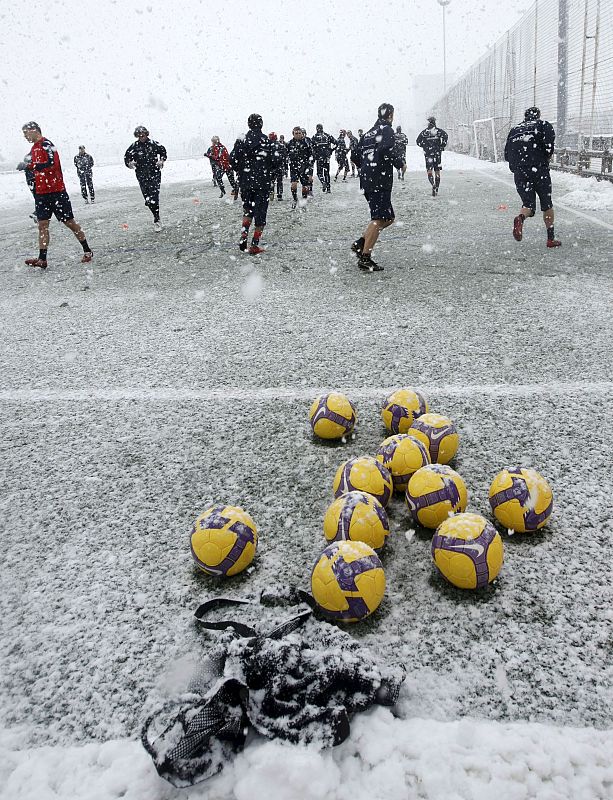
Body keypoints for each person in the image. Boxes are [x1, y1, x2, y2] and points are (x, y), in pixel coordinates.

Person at [20, 121, 92, 270]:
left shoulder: (47, 144)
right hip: (42, 194)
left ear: (34, 130)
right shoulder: (33, 148)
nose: (25, 136)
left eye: (26, 133)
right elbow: (37, 170)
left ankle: (87, 250)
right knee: (42, 226)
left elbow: (50, 164)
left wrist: (30, 166)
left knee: (70, 223)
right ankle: (42, 259)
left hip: (56, 192)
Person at [351, 103, 404, 272]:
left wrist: (366, 166)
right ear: (390, 115)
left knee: (387, 218)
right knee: (380, 218)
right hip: (380, 179)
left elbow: (354, 155)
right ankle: (365, 258)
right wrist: (399, 163)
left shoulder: (367, 133)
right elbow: (387, 149)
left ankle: (361, 243)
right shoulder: (386, 129)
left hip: (367, 179)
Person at [504, 107, 561, 248]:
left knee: (528, 204)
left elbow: (507, 154)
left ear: (525, 117)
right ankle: (550, 239)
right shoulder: (543, 125)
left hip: (520, 171)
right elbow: (549, 146)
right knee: (547, 204)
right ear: (538, 115)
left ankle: (521, 218)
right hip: (539, 169)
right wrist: (543, 159)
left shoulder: (514, 130)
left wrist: (517, 167)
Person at [230, 113, 281, 254]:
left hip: (245, 182)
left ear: (248, 124)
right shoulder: (266, 141)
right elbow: (276, 161)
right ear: (261, 124)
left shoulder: (241, 140)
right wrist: (268, 171)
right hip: (262, 182)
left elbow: (232, 159)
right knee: (261, 215)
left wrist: (241, 170)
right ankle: (254, 244)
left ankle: (244, 235)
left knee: (247, 210)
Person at [124, 126, 167, 231]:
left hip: (154, 173)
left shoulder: (154, 144)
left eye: (143, 134)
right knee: (147, 198)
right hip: (141, 175)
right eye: (139, 135)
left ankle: (156, 220)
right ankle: (154, 212)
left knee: (154, 195)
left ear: (147, 134)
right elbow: (126, 158)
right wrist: (130, 163)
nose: (141, 136)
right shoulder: (134, 146)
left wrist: (161, 160)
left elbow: (163, 152)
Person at [416, 116, 448, 196]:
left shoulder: (424, 132)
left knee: (429, 170)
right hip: (437, 153)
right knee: (437, 170)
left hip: (428, 155)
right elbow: (445, 136)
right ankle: (436, 187)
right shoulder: (438, 131)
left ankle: (432, 183)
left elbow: (418, 141)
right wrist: (442, 145)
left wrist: (424, 146)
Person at [286, 127, 314, 209]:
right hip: (294, 167)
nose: (298, 135)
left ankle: (304, 201)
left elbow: (311, 157)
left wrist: (310, 171)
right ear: (293, 134)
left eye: (299, 133)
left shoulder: (306, 143)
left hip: (304, 167)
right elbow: (285, 155)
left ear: (302, 134)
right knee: (293, 185)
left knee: (305, 186)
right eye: (296, 133)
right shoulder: (289, 144)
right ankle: (295, 199)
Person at [311, 124, 336, 193]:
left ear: (316, 129)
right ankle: (328, 188)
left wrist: (314, 155)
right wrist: (331, 150)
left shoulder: (315, 137)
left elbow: (311, 147)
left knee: (319, 173)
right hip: (326, 157)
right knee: (326, 172)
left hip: (319, 157)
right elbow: (336, 143)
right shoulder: (327, 136)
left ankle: (323, 182)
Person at [16, 153, 38, 223]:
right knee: (40, 198)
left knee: (39, 198)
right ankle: (38, 213)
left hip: (32, 180)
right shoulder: (33, 154)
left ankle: (38, 213)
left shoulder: (32, 154)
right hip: (34, 180)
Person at [268, 132, 285, 200]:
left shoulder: (268, 145)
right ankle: (279, 194)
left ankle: (271, 192)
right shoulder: (281, 145)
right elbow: (284, 157)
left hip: (270, 166)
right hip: (279, 166)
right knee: (279, 181)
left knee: (271, 180)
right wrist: (285, 167)